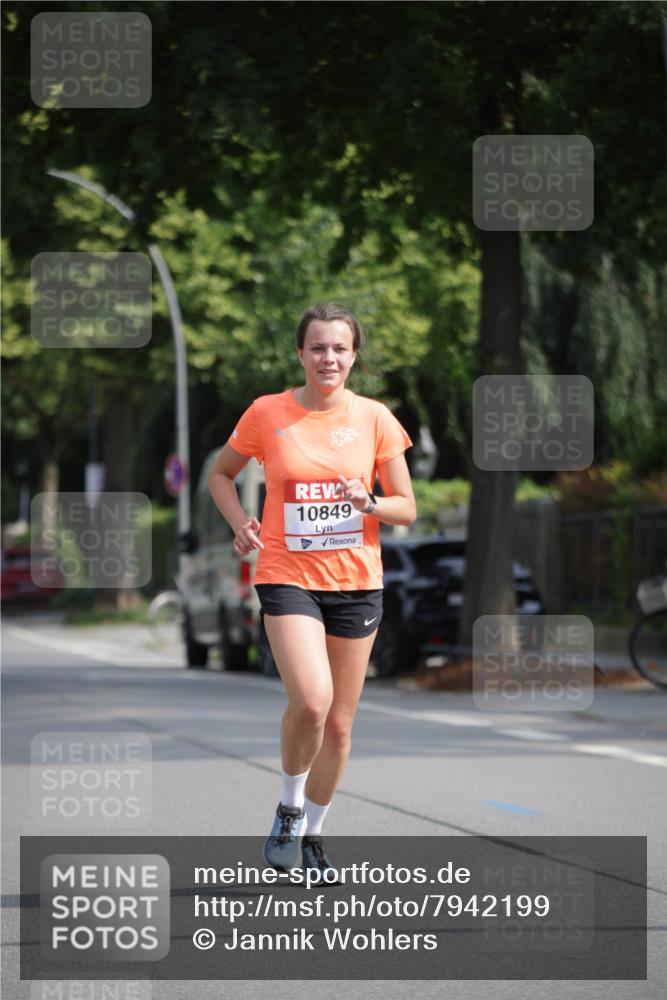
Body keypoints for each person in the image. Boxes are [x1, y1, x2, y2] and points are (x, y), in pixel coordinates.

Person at [208, 302, 416, 879]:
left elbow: (406, 507)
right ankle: (289, 808)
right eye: (318, 347)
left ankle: (314, 837)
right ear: (300, 353)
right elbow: (221, 474)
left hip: (357, 583)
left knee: (340, 725)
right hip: (287, 575)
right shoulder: (267, 412)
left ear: (354, 356)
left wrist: (369, 502)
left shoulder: (375, 418)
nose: (329, 358)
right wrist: (239, 522)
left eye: (339, 349)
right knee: (311, 700)